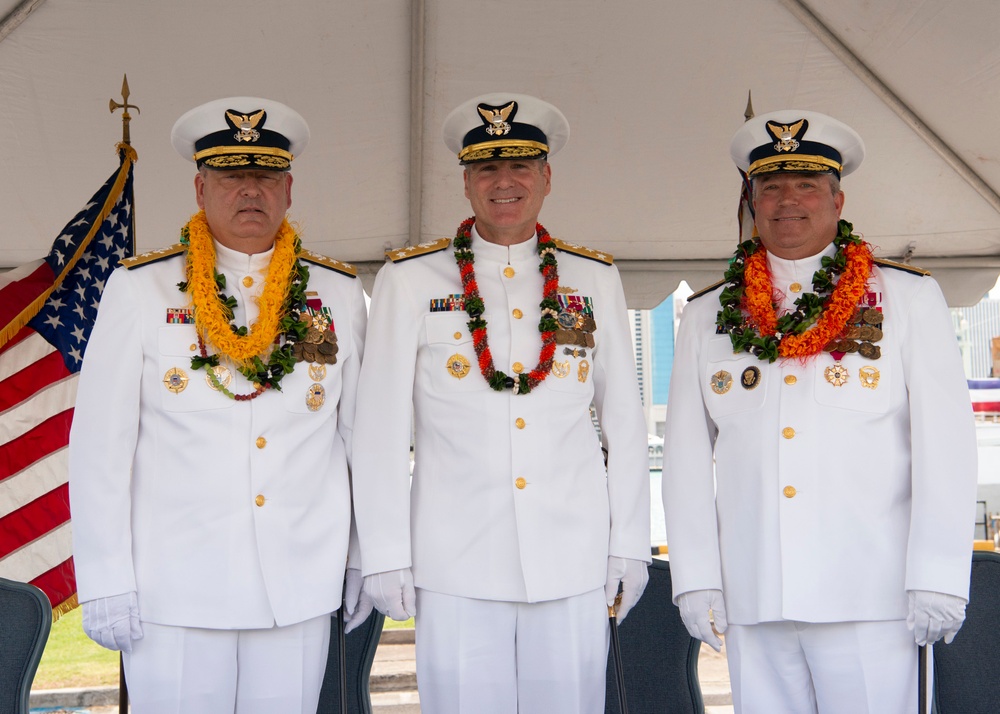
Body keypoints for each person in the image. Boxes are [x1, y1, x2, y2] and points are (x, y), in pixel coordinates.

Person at [662, 109, 978, 713]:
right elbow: (683, 459)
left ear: (837, 199)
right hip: (756, 592)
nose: (788, 201)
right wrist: (696, 577)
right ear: (752, 201)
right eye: (771, 186)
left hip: (873, 594)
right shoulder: (708, 315)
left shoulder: (905, 298)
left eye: (806, 184)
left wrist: (939, 573)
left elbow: (947, 447)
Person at [68, 96, 371, 713]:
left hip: (296, 584)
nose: (249, 191)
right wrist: (104, 579)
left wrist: (365, 555)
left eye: (263, 177)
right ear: (201, 188)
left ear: (288, 189)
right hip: (175, 590)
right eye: (233, 176)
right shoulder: (140, 289)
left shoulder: (337, 293)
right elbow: (100, 448)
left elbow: (361, 441)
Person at [352, 92, 650, 714]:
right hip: (454, 562)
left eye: (520, 166)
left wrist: (629, 543)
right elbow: (377, 430)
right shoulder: (410, 280)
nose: (504, 182)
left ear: (546, 178)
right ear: (465, 182)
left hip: (571, 558)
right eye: (487, 168)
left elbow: (623, 422)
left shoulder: (592, 278)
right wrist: (383, 554)